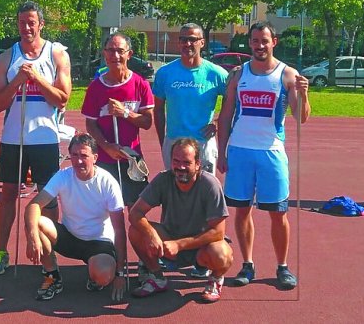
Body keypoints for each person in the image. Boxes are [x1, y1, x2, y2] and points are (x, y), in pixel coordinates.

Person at [217, 21, 311, 290]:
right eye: (255, 41)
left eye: (264, 41)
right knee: (242, 210)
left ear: (274, 42)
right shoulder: (238, 74)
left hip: (271, 153)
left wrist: (304, 94)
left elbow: (300, 117)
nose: (259, 46)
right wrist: (222, 152)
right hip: (240, 151)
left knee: (277, 213)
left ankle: (282, 267)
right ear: (250, 43)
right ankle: (247, 264)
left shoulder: (287, 75)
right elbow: (225, 116)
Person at [0, 1, 71, 275]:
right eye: (22, 22)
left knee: (47, 197)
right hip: (14, 139)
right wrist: (17, 82)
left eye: (31, 22)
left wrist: (36, 78)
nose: (26, 27)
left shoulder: (56, 54)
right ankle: (1, 251)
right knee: (8, 194)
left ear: (41, 24)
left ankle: (50, 253)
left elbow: (63, 99)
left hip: (45, 139)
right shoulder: (6, 58)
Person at [151, 22, 227, 278]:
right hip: (174, 144)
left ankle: (201, 258)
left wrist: (217, 123)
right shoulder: (165, 74)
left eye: (193, 39)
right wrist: (165, 140)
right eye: (183, 39)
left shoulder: (216, 74)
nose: (187, 44)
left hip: (203, 146)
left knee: (204, 198)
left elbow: (233, 102)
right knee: (172, 196)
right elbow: (158, 111)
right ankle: (171, 255)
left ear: (202, 42)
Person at [128, 138, 233, 303]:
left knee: (221, 253)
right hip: (170, 240)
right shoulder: (163, 179)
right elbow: (135, 213)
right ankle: (156, 277)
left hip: (201, 246)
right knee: (136, 230)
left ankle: (215, 279)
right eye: (176, 161)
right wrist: (152, 234)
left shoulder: (210, 185)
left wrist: (180, 245)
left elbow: (218, 232)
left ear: (198, 164)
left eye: (187, 162)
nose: (180, 167)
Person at [24, 133, 126, 301]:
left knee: (103, 276)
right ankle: (52, 276)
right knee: (36, 222)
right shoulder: (63, 176)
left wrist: (120, 273)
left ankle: (96, 278)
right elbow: (33, 205)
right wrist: (33, 236)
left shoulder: (108, 183)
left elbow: (120, 230)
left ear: (95, 158)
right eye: (74, 155)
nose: (79, 161)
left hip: (98, 242)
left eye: (84, 156)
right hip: (69, 236)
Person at [82, 32, 154, 208]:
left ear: (129, 54)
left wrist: (125, 113)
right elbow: (90, 124)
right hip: (104, 159)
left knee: (137, 213)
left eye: (120, 51)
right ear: (104, 54)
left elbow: (147, 122)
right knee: (104, 211)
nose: (115, 56)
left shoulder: (140, 84)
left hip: (132, 158)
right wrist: (106, 146)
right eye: (110, 50)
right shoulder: (96, 87)